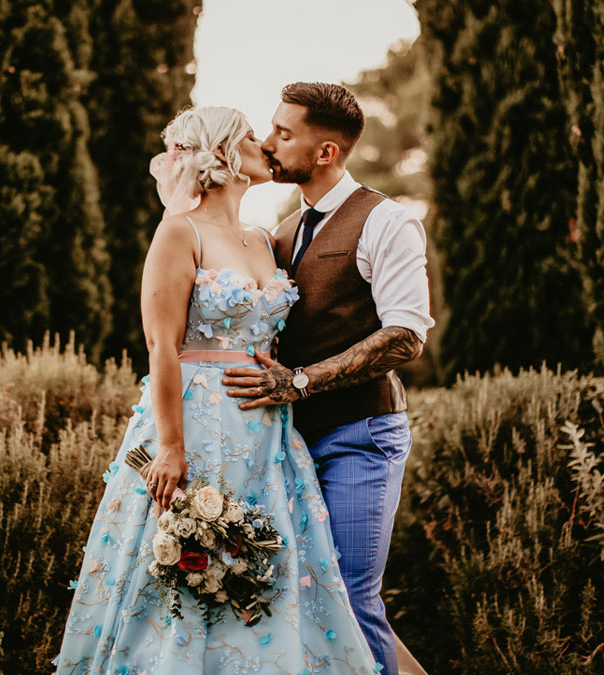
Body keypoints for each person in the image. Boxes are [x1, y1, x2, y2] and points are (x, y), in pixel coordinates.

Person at [52, 106, 379, 674]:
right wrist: (172, 449)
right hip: (195, 423)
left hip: (266, 433)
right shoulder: (179, 232)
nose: (264, 144)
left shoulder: (263, 239)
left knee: (269, 569)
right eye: (251, 136)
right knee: (183, 571)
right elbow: (161, 346)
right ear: (223, 152)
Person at [223, 82, 435, 675]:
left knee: (346, 593)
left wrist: (302, 381)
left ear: (326, 153)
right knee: (301, 598)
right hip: (287, 446)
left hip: (360, 436)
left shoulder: (387, 221)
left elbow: (406, 335)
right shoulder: (282, 233)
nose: (267, 143)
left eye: (283, 134)